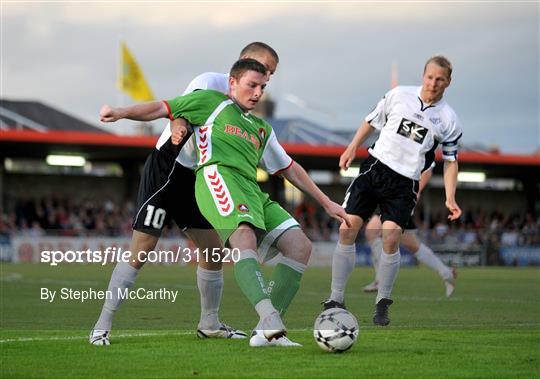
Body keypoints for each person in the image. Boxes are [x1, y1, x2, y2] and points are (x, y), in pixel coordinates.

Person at [98, 58, 350, 345]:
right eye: (252, 85)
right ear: (233, 81)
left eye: (263, 86)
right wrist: (119, 112)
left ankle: (256, 332)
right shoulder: (210, 97)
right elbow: (163, 108)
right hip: (205, 177)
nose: (257, 93)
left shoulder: (261, 128)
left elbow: (289, 167)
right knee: (234, 238)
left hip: (250, 190)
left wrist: (328, 203)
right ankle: (102, 325)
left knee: (298, 246)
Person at [90, 43, 281, 346]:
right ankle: (102, 325)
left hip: (199, 176)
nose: (266, 78)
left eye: (270, 73)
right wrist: (169, 123)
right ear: (243, 62)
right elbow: (177, 111)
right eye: (263, 67)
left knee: (213, 251)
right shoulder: (210, 83)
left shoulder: (246, 106)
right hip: (170, 166)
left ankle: (210, 323)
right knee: (142, 250)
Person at [323, 56, 463, 326]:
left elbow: (451, 161)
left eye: (440, 79)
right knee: (347, 228)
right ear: (423, 76)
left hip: (404, 183)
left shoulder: (449, 120)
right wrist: (352, 146)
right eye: (430, 77)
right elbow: (371, 121)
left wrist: (450, 197)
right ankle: (335, 297)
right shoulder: (398, 95)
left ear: (448, 82)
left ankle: (382, 304)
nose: (433, 83)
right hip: (375, 167)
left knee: (391, 238)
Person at [363, 164, 457, 297]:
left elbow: (427, 170)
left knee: (372, 231)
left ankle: (381, 279)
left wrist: (416, 192)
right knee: (411, 244)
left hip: (403, 196)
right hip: (392, 194)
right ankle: (446, 272)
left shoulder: (422, 144)